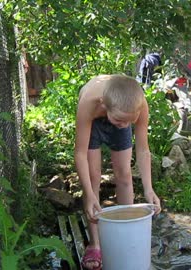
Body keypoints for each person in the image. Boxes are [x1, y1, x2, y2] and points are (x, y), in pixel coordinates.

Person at [75, 74, 162, 270]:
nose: (124, 125)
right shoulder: (90, 102)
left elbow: (143, 149)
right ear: (104, 104)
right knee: (94, 175)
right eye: (120, 120)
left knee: (124, 175)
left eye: (129, 121)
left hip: (120, 110)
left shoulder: (135, 106)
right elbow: (80, 154)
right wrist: (89, 195)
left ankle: (126, 232)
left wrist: (149, 189)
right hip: (95, 119)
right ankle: (95, 245)